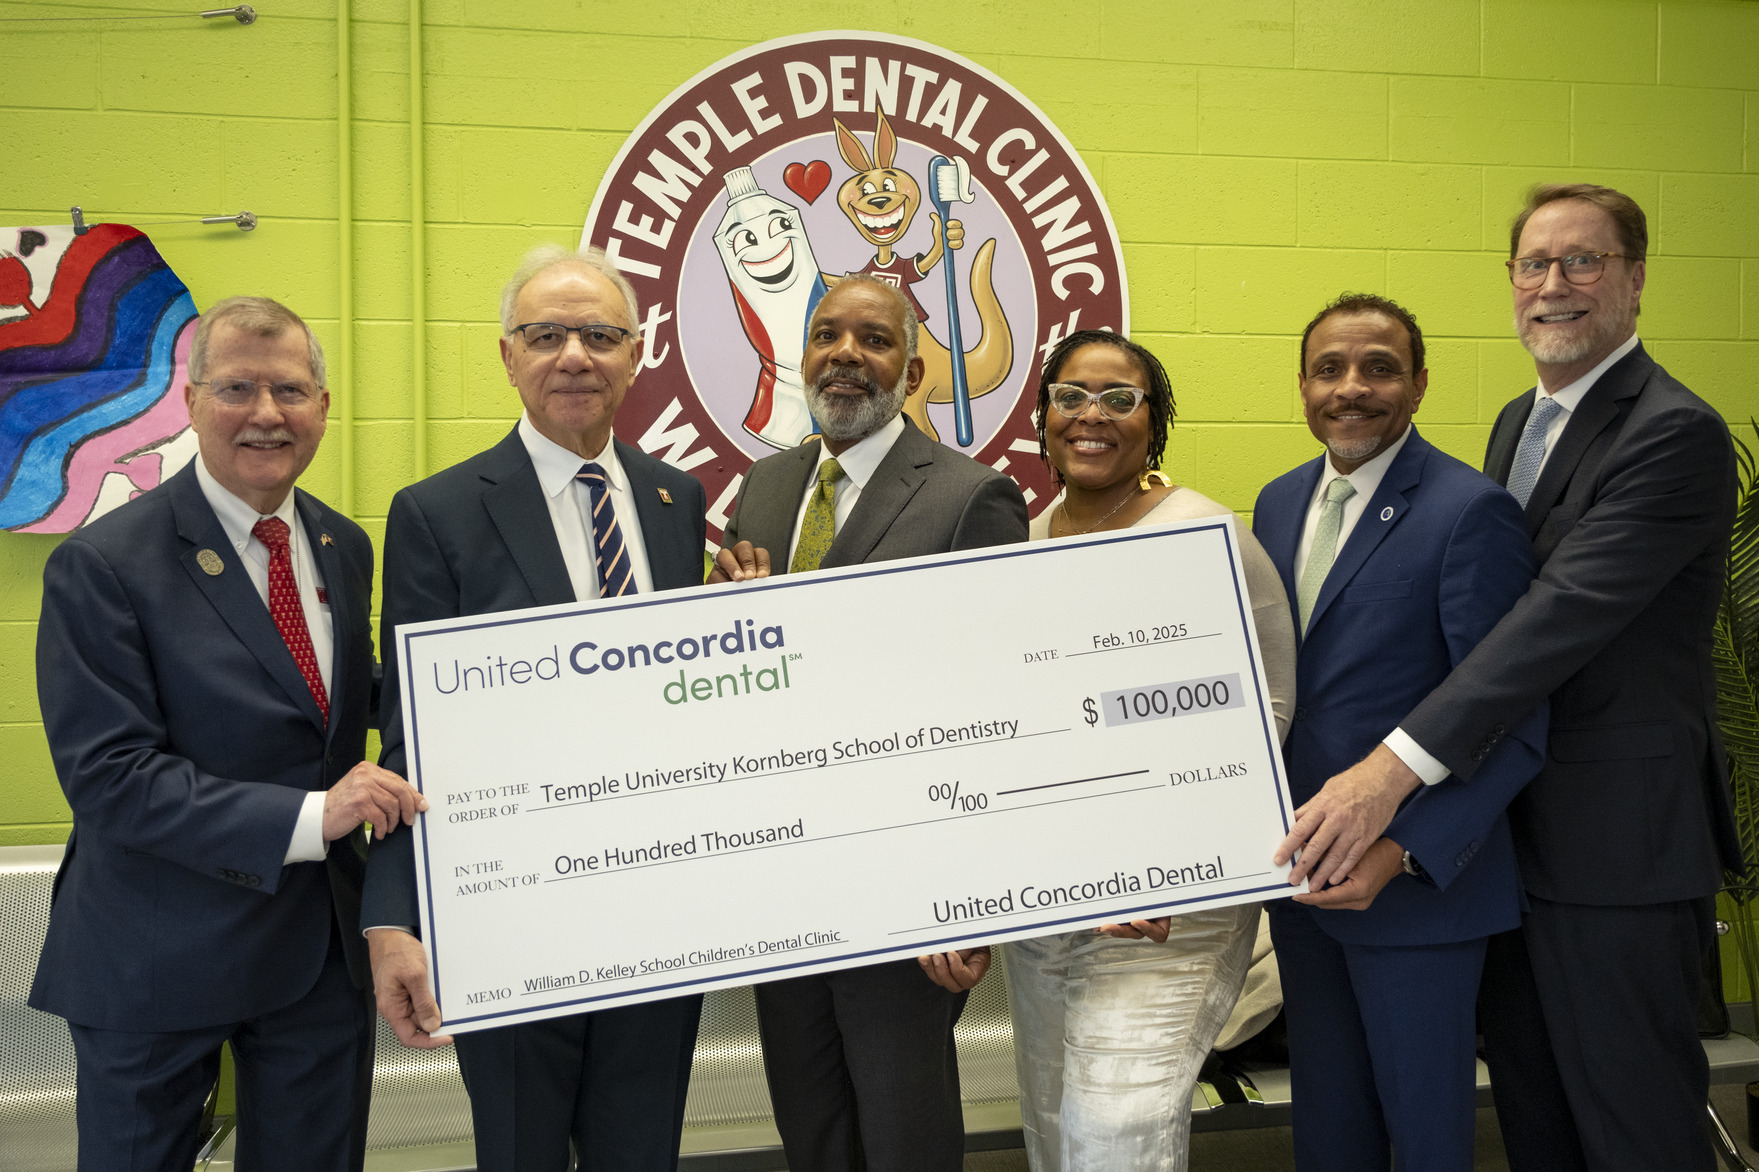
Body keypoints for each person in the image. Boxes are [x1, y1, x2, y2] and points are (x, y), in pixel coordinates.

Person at [1273, 187, 1740, 1172]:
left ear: (1636, 278)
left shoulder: (1671, 431)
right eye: (1534, 263)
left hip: (1617, 845)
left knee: (1633, 1120)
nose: (1553, 285)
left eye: (1583, 261)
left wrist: (1384, 773)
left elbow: (1547, 624)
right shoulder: (1515, 423)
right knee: (1538, 1118)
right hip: (1505, 844)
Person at [30, 296, 424, 1172]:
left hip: (313, 957)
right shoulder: (102, 566)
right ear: (193, 402)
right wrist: (312, 815)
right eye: (237, 388)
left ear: (323, 406)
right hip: (153, 952)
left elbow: (339, 695)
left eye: (289, 389)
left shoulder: (339, 543)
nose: (266, 414)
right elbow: (110, 777)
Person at [363, 245, 709, 1172]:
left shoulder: (680, 500)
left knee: (643, 1153)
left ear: (637, 355)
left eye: (600, 336)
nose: (574, 357)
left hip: (661, 904)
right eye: (545, 334)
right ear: (507, 354)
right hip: (508, 909)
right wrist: (394, 913)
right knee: (517, 1153)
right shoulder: (436, 514)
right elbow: (408, 730)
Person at [712, 273, 1028, 1172]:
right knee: (809, 1119)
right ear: (802, 354)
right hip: (786, 871)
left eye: (873, 340)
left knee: (902, 1128)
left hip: (908, 876)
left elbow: (998, 707)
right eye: (826, 335)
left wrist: (971, 897)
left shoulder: (972, 497)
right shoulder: (763, 488)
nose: (845, 355)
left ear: (913, 368)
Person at [983, 329, 1295, 1172]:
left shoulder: (1205, 534)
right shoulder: (1019, 535)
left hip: (1168, 906)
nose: (1092, 415)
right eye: (1071, 395)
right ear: (1043, 414)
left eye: (1119, 398)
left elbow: (1263, 714)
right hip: (1048, 895)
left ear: (1153, 422)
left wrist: (1163, 858)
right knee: (1051, 1123)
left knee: (1112, 1130)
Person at [1253, 294, 1545, 1170]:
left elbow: (1512, 719)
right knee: (1328, 1133)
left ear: (1418, 384)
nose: (1352, 388)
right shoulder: (1276, 503)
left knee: (1425, 1139)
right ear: (1301, 386)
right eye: (1329, 369)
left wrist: (1400, 853)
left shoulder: (1469, 512)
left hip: (1412, 895)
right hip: (1305, 885)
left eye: (1378, 368)